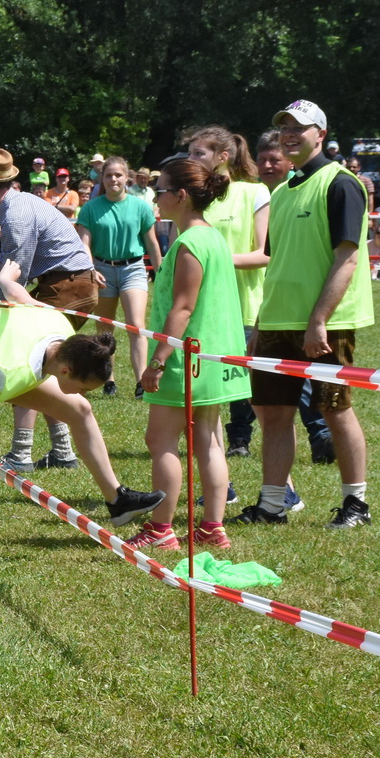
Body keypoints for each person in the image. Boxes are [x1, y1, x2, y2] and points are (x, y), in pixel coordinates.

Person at [0, 261, 165, 570]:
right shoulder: (4, 373)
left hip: (2, 376)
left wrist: (6, 277)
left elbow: (15, 292)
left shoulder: (56, 323)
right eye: (82, 387)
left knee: (80, 410)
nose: (82, 392)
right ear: (65, 370)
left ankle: (118, 500)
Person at [236, 100, 373, 528]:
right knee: (273, 413)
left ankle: (356, 505)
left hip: (326, 323)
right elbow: (278, 265)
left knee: (335, 409)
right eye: (284, 127)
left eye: (300, 127)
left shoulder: (341, 183)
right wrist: (260, 324)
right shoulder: (283, 191)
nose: (289, 134)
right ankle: (273, 504)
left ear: (321, 134)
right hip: (277, 322)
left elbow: (347, 259)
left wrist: (318, 320)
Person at [126, 157, 251, 552]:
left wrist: (158, 360)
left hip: (186, 360)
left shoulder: (188, 244)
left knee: (160, 440)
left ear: (180, 196)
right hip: (214, 359)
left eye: (159, 191)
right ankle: (213, 527)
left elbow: (182, 308)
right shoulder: (213, 237)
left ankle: (161, 529)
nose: (154, 199)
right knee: (210, 441)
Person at [0, 147, 100, 473]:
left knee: (28, 361)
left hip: (68, 287)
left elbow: (13, 272)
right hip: (64, 284)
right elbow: (9, 268)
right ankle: (62, 451)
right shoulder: (17, 204)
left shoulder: (15, 212)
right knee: (44, 364)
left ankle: (22, 454)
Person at [184, 127, 272, 461]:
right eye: (190, 153)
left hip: (244, 305)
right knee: (207, 390)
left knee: (250, 389)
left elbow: (264, 253)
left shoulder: (254, 193)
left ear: (223, 157)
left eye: (198, 153)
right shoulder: (194, 195)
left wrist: (215, 260)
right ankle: (217, 457)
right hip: (203, 307)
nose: (191, 160)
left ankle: (245, 443)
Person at [73, 155, 161, 397]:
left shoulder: (141, 207)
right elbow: (84, 245)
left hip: (133, 269)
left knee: (137, 326)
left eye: (118, 175)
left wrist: (161, 271)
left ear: (126, 178)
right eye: (109, 175)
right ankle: (108, 380)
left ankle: (141, 382)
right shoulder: (90, 208)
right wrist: (90, 271)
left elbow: (152, 244)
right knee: (104, 330)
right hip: (101, 270)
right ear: (102, 178)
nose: (113, 179)